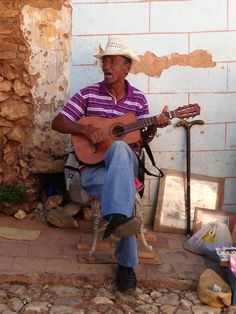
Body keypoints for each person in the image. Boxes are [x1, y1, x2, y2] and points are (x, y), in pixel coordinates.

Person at [51, 37, 170, 292]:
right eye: (104, 61)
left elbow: (141, 139)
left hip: (127, 167)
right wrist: (83, 128)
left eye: (112, 61)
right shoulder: (88, 94)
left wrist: (152, 127)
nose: (106, 66)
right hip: (93, 170)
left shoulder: (138, 100)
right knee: (125, 194)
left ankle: (117, 221)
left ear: (126, 67)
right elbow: (58, 122)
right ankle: (126, 264)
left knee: (119, 147)